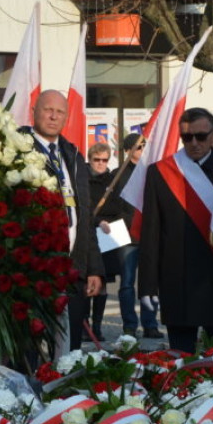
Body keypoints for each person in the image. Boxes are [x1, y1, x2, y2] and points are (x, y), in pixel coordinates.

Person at [138, 108, 213, 354]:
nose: (194, 143)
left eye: (201, 136)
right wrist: (148, 285)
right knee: (181, 363)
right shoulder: (161, 172)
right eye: (187, 137)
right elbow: (151, 232)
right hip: (178, 281)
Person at [28, 90, 104, 350]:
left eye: (60, 112)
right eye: (48, 109)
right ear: (34, 111)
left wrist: (93, 268)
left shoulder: (73, 155)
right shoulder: (17, 149)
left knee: (69, 352)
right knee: (33, 351)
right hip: (33, 272)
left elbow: (85, 218)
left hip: (72, 271)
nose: (53, 116)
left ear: (66, 118)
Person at [111, 133, 161, 339]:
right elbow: (112, 206)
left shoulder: (152, 171)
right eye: (138, 147)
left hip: (149, 234)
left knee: (150, 282)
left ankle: (150, 324)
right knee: (126, 283)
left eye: (144, 146)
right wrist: (125, 222)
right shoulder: (118, 174)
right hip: (126, 235)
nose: (142, 150)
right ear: (127, 150)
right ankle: (129, 325)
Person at [86, 141, 120, 341]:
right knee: (86, 282)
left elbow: (120, 206)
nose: (100, 163)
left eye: (104, 160)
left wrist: (113, 223)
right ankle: (85, 327)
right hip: (88, 233)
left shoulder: (112, 181)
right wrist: (98, 220)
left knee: (104, 283)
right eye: (96, 159)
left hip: (107, 236)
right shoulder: (83, 179)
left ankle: (97, 327)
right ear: (90, 159)